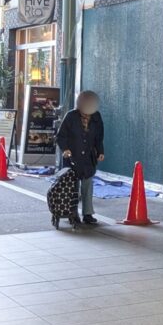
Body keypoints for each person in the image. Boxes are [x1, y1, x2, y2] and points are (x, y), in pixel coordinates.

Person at [55, 91, 105, 226]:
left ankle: (88, 214)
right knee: (73, 186)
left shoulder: (96, 117)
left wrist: (100, 151)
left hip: (89, 157)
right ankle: (72, 213)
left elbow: (99, 137)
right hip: (72, 156)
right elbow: (61, 136)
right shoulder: (71, 116)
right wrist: (65, 149)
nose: (87, 115)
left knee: (88, 185)